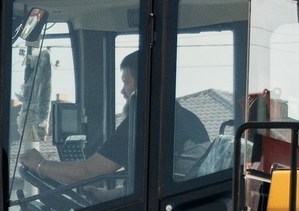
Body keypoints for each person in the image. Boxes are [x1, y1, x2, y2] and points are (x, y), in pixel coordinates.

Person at [21, 50, 209, 193]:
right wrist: (103, 196)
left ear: (144, 84)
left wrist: (40, 164)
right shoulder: (185, 118)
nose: (122, 91)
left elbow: (88, 171)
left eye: (126, 82)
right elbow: (152, 189)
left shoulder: (145, 124)